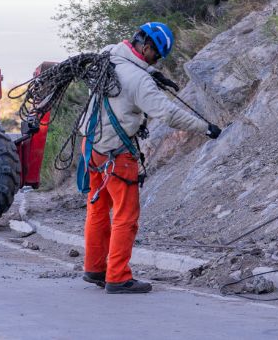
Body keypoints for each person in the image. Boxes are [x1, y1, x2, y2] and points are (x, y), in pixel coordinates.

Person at [82, 22, 222, 294]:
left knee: (98, 208)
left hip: (91, 146)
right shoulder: (140, 82)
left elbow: (130, 65)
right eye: (156, 56)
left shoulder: (107, 54)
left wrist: (153, 73)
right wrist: (205, 128)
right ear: (146, 48)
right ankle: (118, 277)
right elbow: (168, 114)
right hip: (117, 155)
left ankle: (95, 267)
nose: (157, 60)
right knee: (126, 215)